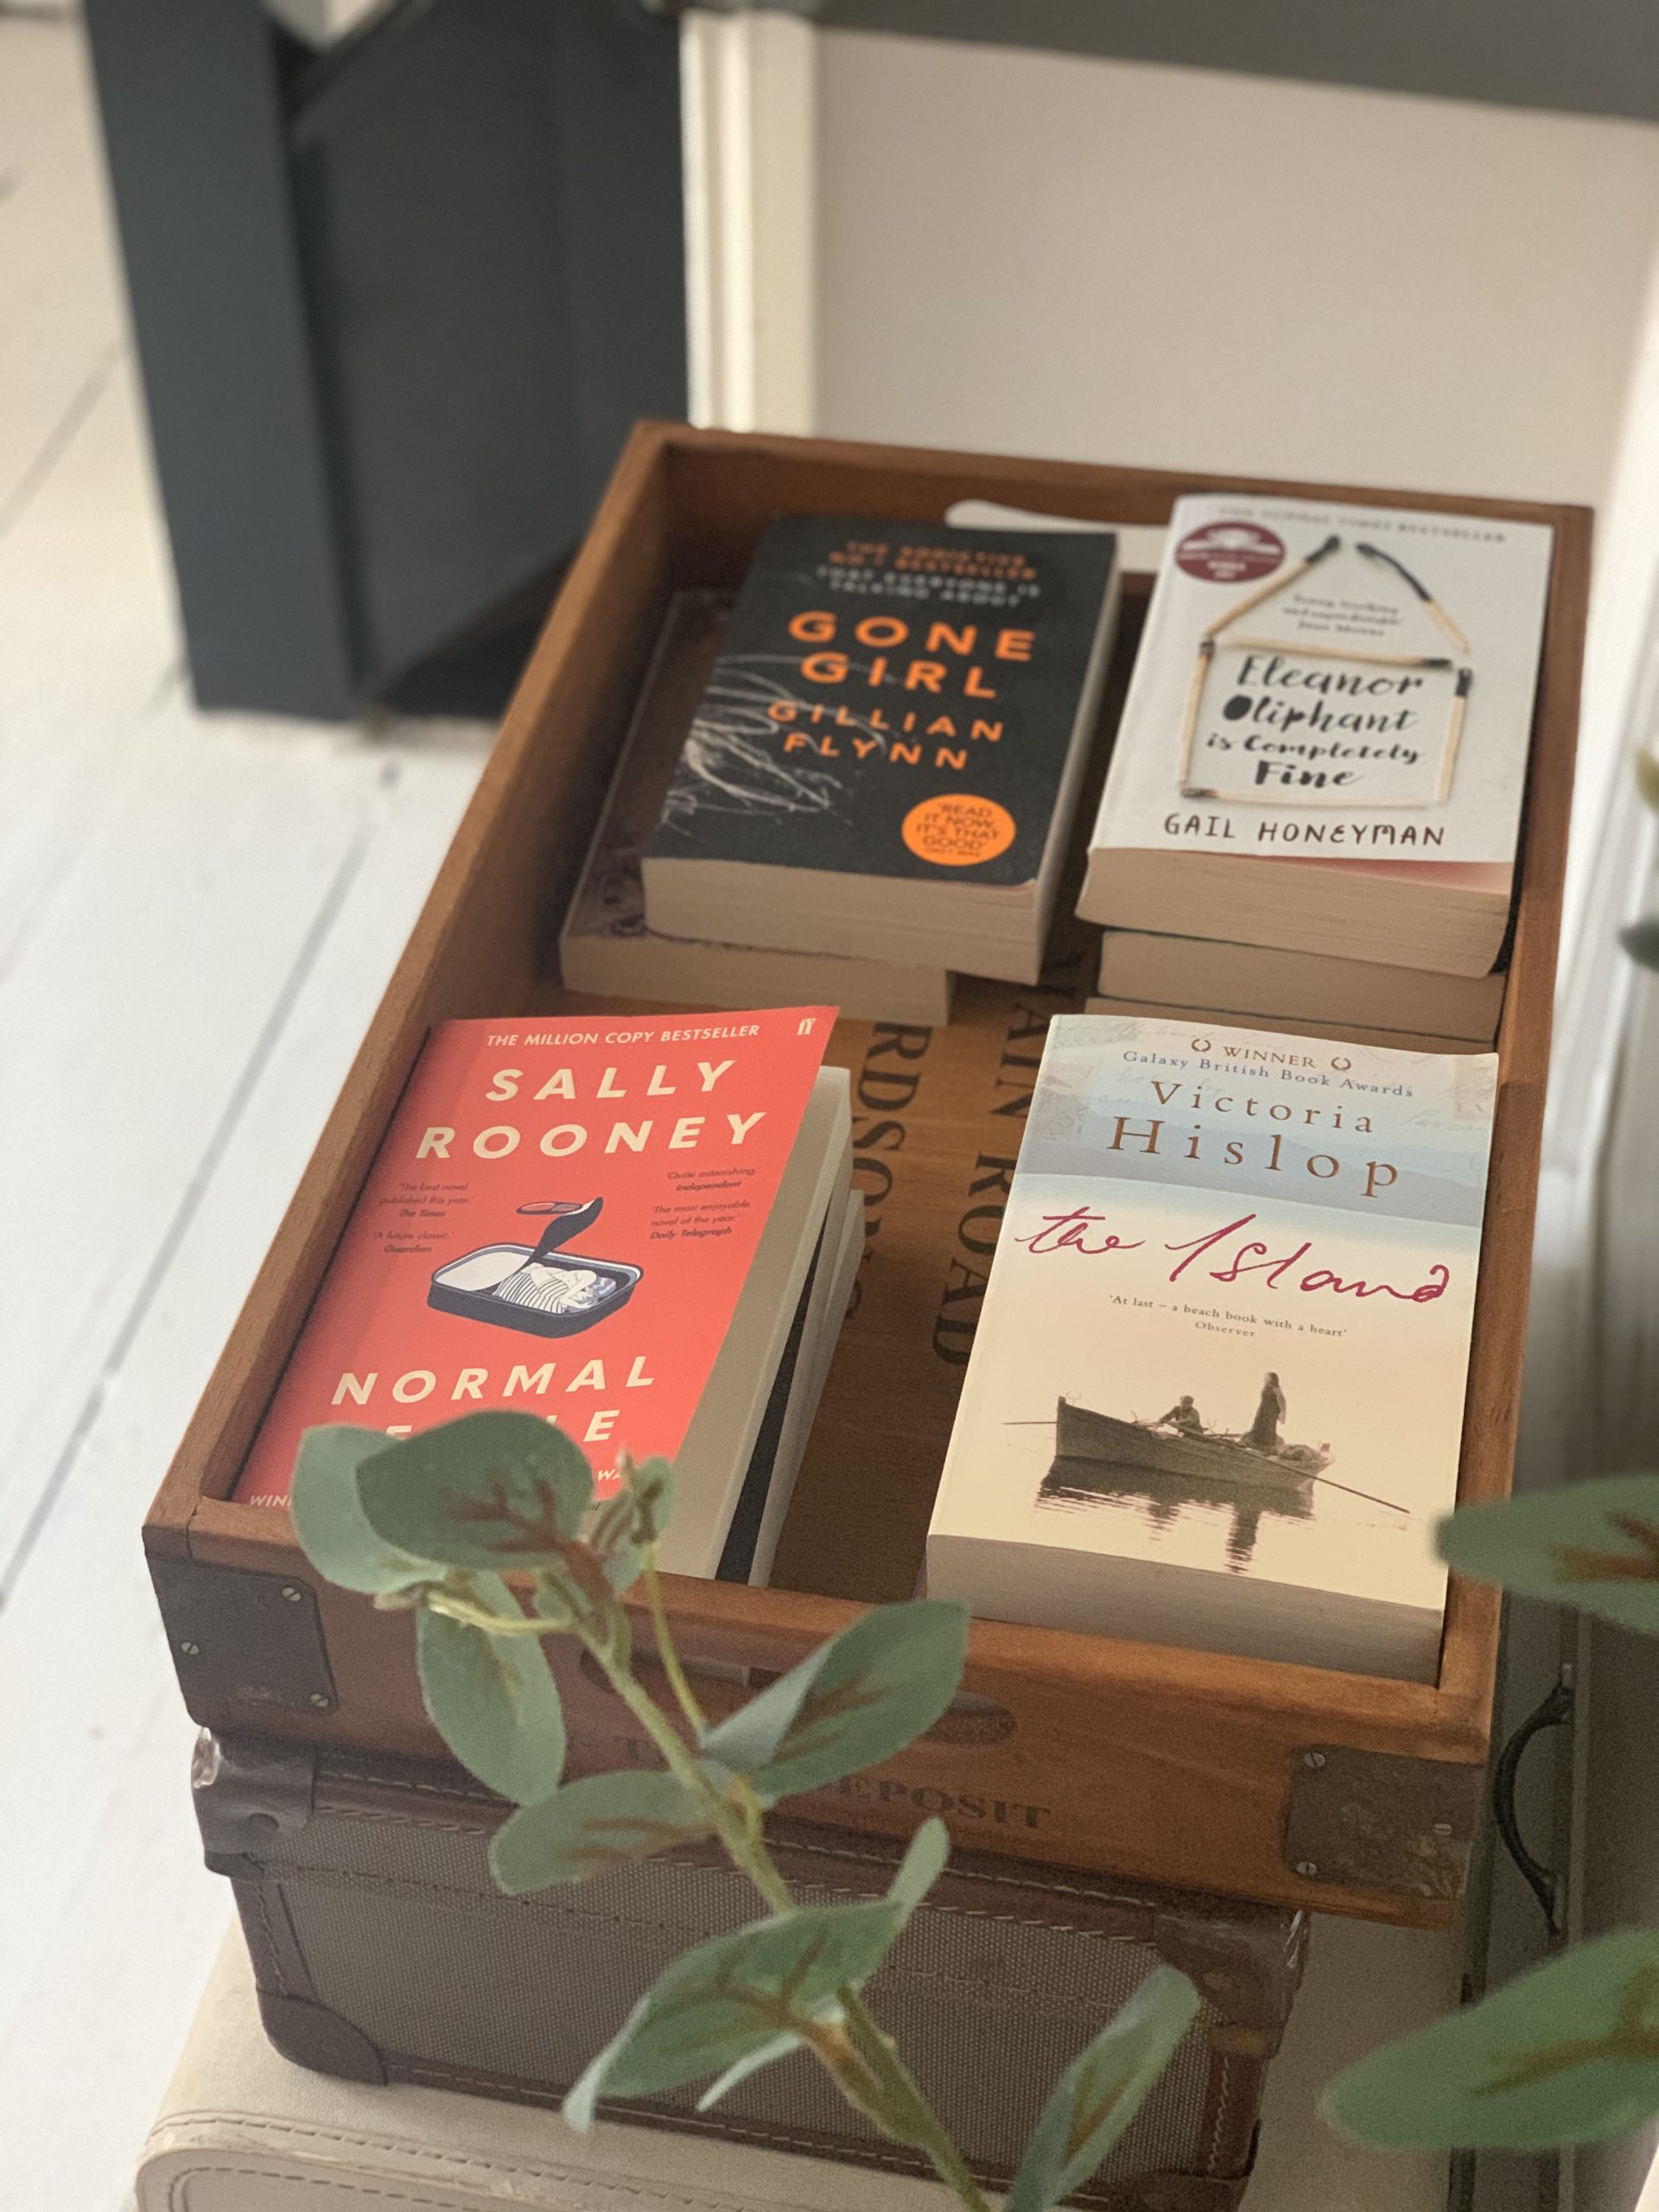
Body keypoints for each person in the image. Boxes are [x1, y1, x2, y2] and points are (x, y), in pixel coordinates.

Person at [1248, 1370, 1286, 1451]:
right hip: (1263, 1409)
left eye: (1267, 1377)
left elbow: (1281, 1401)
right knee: (1258, 1425)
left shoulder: (1276, 1389)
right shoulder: (1266, 1387)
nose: (1265, 1379)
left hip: (1271, 1411)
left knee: (1268, 1428)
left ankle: (1266, 1446)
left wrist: (1282, 1413)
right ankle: (1257, 1443)